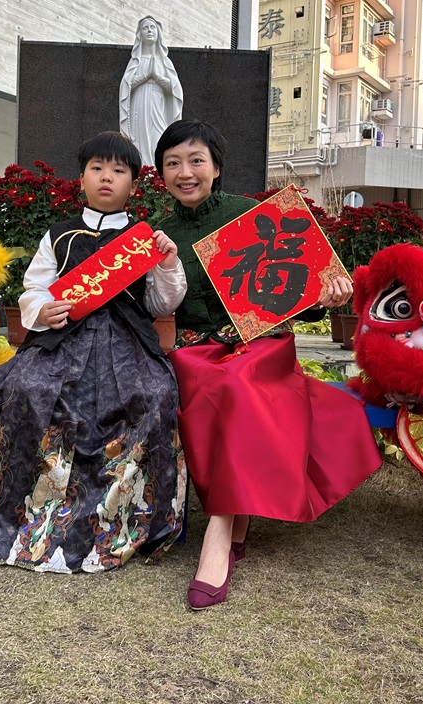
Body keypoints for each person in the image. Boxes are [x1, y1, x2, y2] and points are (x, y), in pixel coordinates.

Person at [155, 120, 382, 609]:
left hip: (259, 346)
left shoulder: (252, 216)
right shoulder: (158, 234)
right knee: (213, 384)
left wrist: (326, 295)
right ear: (162, 174)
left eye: (195, 160)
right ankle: (237, 516)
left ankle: (218, 533)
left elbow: (295, 290)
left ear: (216, 167)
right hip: (196, 351)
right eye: (172, 163)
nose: (185, 172)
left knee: (237, 384)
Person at [0, 131, 188, 574]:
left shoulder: (143, 240)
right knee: (25, 387)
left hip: (127, 343)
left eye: (118, 170)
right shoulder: (58, 235)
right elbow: (33, 288)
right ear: (81, 178)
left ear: (133, 185)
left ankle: (127, 514)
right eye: (97, 168)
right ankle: (26, 510)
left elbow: (161, 305)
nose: (106, 177)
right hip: (63, 339)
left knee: (154, 394)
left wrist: (168, 263)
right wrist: (42, 309)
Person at [119, 16, 183, 168]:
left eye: (152, 27)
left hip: (158, 104)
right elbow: (126, 86)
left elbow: (175, 89)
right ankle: (143, 172)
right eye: (145, 28)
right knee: (140, 140)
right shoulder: (136, 61)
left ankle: (157, 172)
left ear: (158, 32)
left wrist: (157, 77)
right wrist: (146, 76)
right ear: (140, 34)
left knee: (159, 137)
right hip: (140, 104)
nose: (149, 31)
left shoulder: (165, 62)